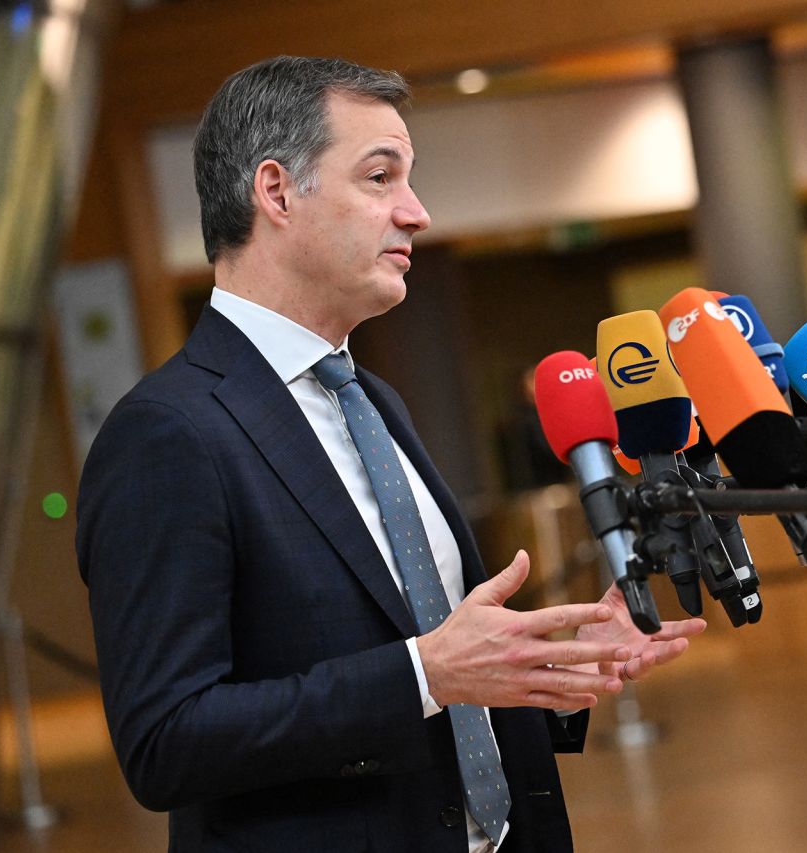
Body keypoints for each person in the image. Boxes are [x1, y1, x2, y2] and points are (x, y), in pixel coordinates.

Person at [76, 56, 705, 853]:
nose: (417, 212)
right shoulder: (166, 433)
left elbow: (443, 675)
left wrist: (547, 672)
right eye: (381, 177)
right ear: (275, 192)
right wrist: (422, 674)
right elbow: (165, 741)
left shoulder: (373, 400)